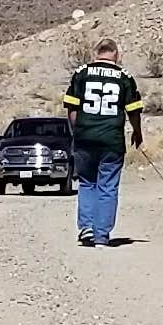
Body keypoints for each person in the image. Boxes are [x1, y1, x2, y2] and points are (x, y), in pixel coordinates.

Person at [61, 38, 146, 247]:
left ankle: (87, 228)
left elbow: (71, 109)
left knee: (87, 183)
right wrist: (137, 132)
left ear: (95, 53)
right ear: (116, 54)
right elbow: (133, 110)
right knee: (108, 186)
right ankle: (102, 235)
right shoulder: (124, 77)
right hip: (111, 140)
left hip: (85, 138)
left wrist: (77, 132)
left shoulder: (81, 73)